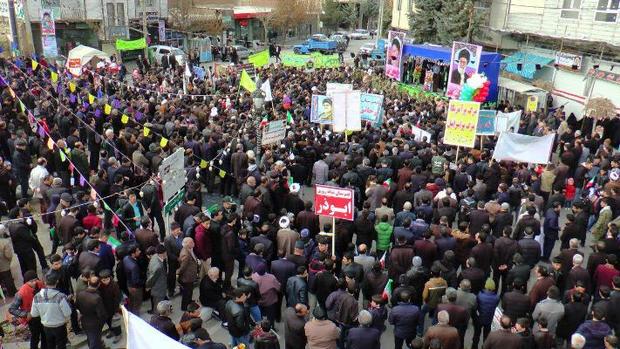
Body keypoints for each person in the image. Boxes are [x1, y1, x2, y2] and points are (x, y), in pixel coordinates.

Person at [30, 272, 71, 349]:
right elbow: (67, 313)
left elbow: (34, 314)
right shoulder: (60, 296)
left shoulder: (37, 297)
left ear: (45, 282)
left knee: (50, 345)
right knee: (61, 345)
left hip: (46, 326)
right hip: (59, 326)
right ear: (57, 282)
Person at [10, 271, 46, 349]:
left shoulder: (40, 284)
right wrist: (26, 314)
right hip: (32, 318)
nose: (33, 283)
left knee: (45, 334)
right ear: (26, 282)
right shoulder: (21, 293)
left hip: (43, 314)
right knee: (35, 337)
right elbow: (12, 309)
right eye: (31, 281)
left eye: (35, 280)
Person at [75, 275, 107, 349]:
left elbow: (77, 305)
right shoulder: (97, 298)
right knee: (94, 341)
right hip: (94, 323)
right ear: (99, 285)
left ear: (88, 283)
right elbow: (101, 313)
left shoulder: (80, 294)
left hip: (84, 320)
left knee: (91, 338)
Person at [178, 237, 199, 311]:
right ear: (186, 244)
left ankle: (189, 302)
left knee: (189, 291)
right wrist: (178, 274)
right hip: (187, 277)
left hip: (190, 276)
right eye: (191, 242)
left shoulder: (189, 250)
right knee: (187, 293)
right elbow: (183, 267)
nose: (193, 243)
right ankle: (184, 307)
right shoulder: (185, 254)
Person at [146, 244, 168, 313]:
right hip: (158, 289)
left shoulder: (155, 256)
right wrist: (148, 286)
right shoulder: (158, 266)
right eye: (166, 253)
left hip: (157, 287)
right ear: (163, 253)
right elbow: (152, 278)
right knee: (158, 307)